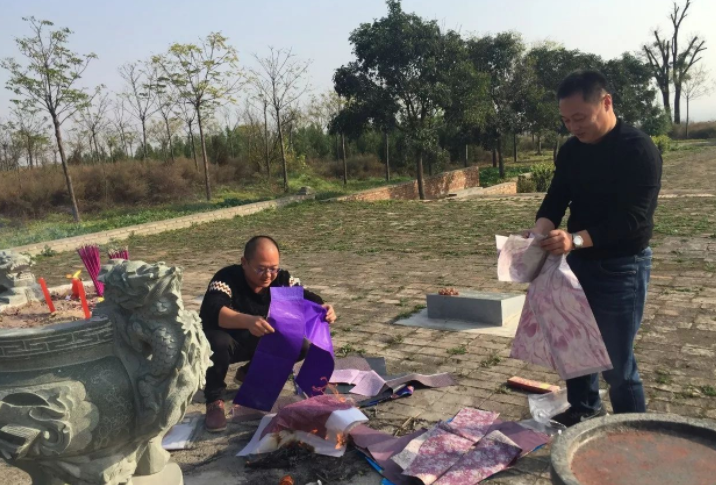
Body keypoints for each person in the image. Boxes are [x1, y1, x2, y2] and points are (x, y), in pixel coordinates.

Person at [530, 70, 662, 427]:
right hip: (576, 262)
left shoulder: (637, 149)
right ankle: (585, 408)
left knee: (617, 363)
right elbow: (557, 196)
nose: (573, 127)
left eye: (580, 118)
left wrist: (573, 240)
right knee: (576, 345)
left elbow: (633, 219)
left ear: (606, 103)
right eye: (566, 120)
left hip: (621, 266)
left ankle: (633, 432)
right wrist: (538, 232)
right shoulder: (572, 150)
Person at [199, 235, 337, 432]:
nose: (267, 275)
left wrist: (324, 308)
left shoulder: (282, 280)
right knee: (217, 342)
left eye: (273, 268)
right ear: (244, 262)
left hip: (259, 340)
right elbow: (213, 310)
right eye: (261, 269)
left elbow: (306, 297)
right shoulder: (226, 278)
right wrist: (247, 321)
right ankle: (214, 400)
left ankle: (248, 373)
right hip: (227, 341)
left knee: (299, 345)